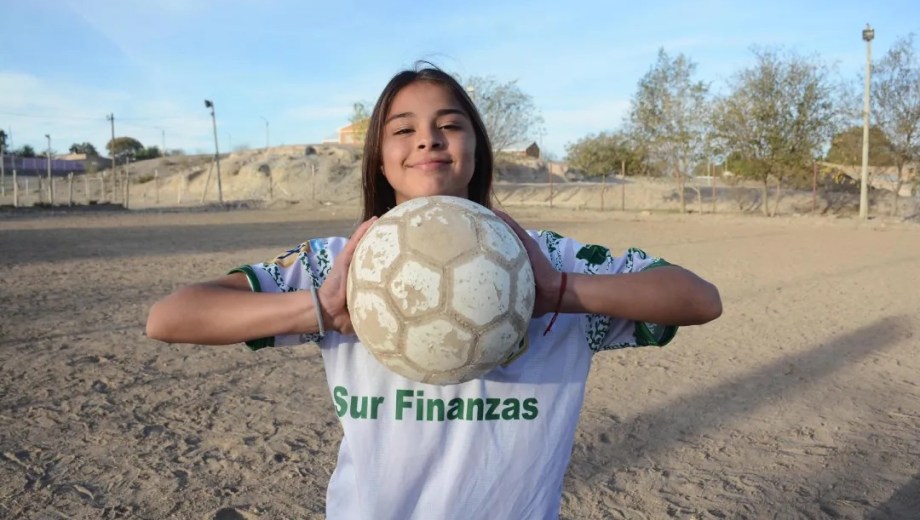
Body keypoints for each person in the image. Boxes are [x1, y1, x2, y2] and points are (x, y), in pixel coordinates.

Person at [146, 64, 722, 520]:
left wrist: (559, 292)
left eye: (450, 124)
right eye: (403, 129)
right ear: (380, 157)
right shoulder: (337, 263)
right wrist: (319, 308)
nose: (428, 139)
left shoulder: (549, 261)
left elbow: (698, 298)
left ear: (477, 147)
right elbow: (171, 317)